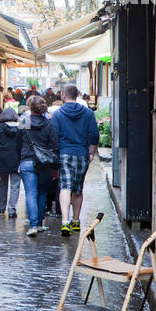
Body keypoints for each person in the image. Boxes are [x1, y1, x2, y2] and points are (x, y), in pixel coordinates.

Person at [53, 84, 100, 235]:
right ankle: (76, 220)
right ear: (78, 95)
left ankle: (65, 221)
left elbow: (54, 137)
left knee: (65, 186)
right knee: (78, 188)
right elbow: (93, 134)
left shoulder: (58, 114)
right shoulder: (88, 113)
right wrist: (91, 152)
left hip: (64, 153)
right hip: (82, 153)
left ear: (63, 95)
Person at [19, 94, 59, 237]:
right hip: (44, 163)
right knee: (42, 193)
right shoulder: (49, 123)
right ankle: (40, 224)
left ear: (30, 107)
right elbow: (55, 146)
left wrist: (19, 160)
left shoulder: (25, 121)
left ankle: (33, 225)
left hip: (27, 161)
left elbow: (18, 142)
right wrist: (55, 168)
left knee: (30, 193)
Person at [0, 106, 22, 218]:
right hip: (17, 160)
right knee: (15, 185)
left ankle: (1, 208)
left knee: (3, 183)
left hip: (2, 160)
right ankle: (12, 209)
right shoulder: (21, 128)